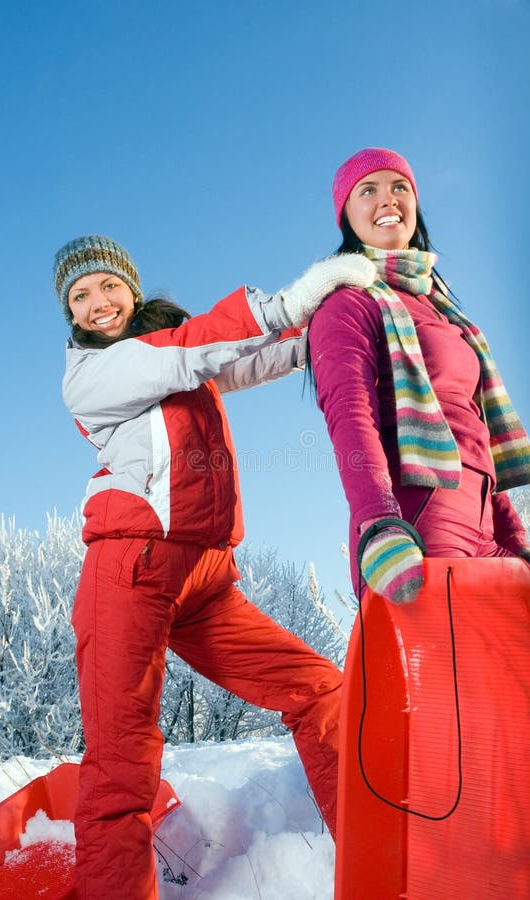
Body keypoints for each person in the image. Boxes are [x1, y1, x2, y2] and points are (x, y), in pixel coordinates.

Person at [53, 234, 377, 899]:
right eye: (79, 296)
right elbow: (189, 351)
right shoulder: (95, 374)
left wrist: (337, 321)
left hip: (205, 580)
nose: (97, 303)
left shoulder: (176, 350)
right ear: (71, 314)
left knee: (321, 689)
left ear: (130, 288)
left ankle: (377, 852)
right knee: (121, 764)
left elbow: (253, 357)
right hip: (131, 572)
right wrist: (291, 299)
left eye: (107, 286)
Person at [307, 147, 530, 629]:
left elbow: (476, 436)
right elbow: (349, 415)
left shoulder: (444, 310)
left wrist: (519, 542)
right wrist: (379, 524)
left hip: (483, 519)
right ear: (346, 214)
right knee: (461, 691)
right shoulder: (348, 304)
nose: (389, 199)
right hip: (421, 519)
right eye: (369, 190)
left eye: (400, 187)